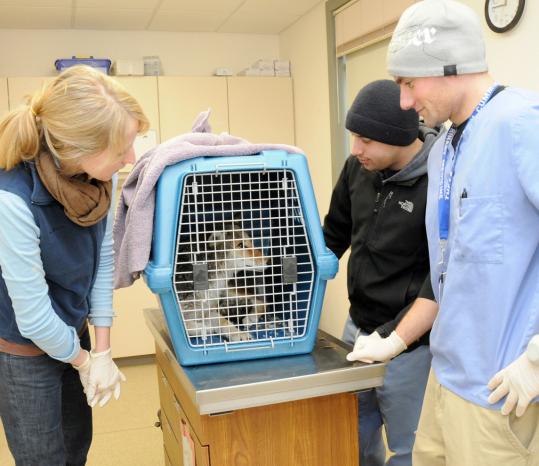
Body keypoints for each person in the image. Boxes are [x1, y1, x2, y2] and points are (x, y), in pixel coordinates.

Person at [382, 1, 539, 465]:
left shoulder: (521, 123)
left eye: (409, 83)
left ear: (449, 67)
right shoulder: (443, 149)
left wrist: (537, 360)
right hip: (444, 379)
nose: (406, 102)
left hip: (499, 392)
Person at [0, 65, 149, 465]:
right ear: (81, 148)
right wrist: (84, 362)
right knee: (42, 458)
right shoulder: (12, 199)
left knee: (75, 445)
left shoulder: (99, 179)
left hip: (70, 332)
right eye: (121, 151)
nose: (131, 159)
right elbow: (31, 317)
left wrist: (102, 349)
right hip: (23, 350)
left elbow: (100, 261)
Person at [323, 79, 441, 466]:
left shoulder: (438, 181)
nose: (356, 149)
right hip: (356, 328)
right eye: (354, 137)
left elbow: (439, 278)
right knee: (350, 431)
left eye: (365, 140)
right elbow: (334, 235)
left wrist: (394, 339)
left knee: (408, 447)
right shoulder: (357, 169)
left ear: (397, 137)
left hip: (409, 344)